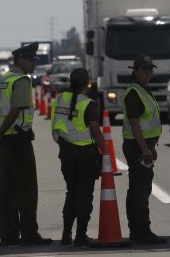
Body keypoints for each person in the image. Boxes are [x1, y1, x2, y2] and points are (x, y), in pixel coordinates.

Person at [0, 42, 52, 246]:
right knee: (26, 188)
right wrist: (2, 132)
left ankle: (8, 235)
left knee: (6, 188)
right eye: (31, 60)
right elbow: (15, 110)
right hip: (18, 140)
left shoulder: (1, 81)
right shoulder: (21, 80)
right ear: (21, 60)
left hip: (4, 141)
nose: (33, 64)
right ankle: (29, 234)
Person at [51, 68, 104, 246]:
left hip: (66, 153)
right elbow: (96, 131)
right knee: (85, 195)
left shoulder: (59, 99)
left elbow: (55, 126)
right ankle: (81, 235)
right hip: (86, 155)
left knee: (71, 192)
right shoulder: (89, 104)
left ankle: (66, 234)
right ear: (87, 84)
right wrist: (106, 152)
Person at [122, 55, 167, 245]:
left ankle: (137, 230)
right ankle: (141, 231)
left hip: (142, 146)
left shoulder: (143, 90)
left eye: (150, 69)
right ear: (136, 71)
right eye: (144, 69)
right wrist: (144, 148)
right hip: (136, 147)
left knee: (138, 189)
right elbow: (134, 123)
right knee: (140, 190)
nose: (148, 73)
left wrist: (150, 147)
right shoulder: (134, 92)